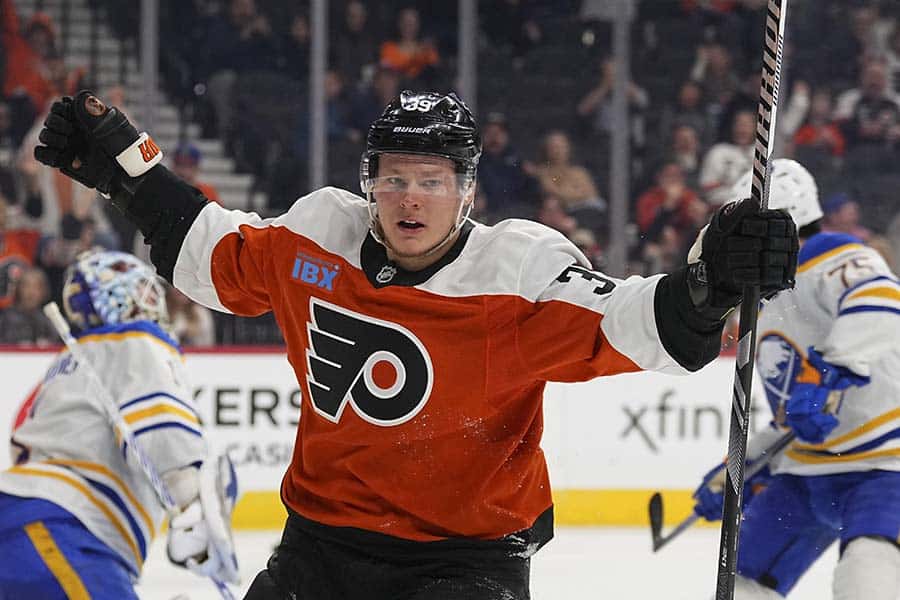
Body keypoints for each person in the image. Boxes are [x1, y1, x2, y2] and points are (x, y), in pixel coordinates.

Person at [33, 89, 798, 600]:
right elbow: (213, 251)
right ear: (369, 182)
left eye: (431, 180)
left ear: (468, 190)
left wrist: (711, 281)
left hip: (464, 558)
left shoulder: (518, 271)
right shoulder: (317, 234)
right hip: (321, 544)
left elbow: (632, 319)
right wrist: (129, 171)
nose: (409, 198)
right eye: (394, 177)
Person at [691, 159, 900, 600]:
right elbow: (794, 415)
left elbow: (881, 303)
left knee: (867, 573)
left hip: (884, 463)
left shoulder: (839, 256)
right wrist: (740, 468)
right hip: (806, 474)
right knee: (741, 586)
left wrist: (834, 377)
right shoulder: (767, 300)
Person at [0, 249, 239, 598]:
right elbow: (161, 426)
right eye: (142, 291)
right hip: (65, 529)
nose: (152, 302)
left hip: (24, 521)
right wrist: (193, 501)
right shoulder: (135, 341)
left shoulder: (71, 360)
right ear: (118, 299)